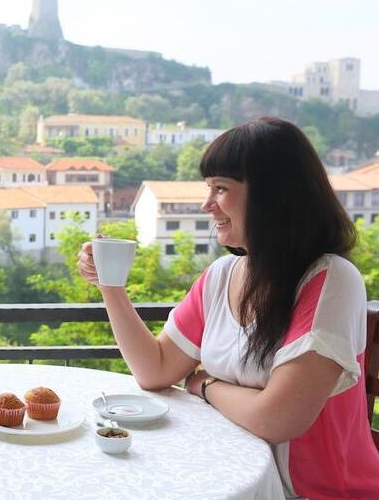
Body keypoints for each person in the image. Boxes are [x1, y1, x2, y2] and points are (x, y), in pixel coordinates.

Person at [78, 117, 379, 499]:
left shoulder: (331, 280)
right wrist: (110, 284)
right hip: (228, 476)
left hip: (312, 493)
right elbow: (154, 370)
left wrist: (204, 384)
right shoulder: (222, 276)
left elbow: (277, 418)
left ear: (274, 195)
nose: (207, 204)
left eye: (220, 188)